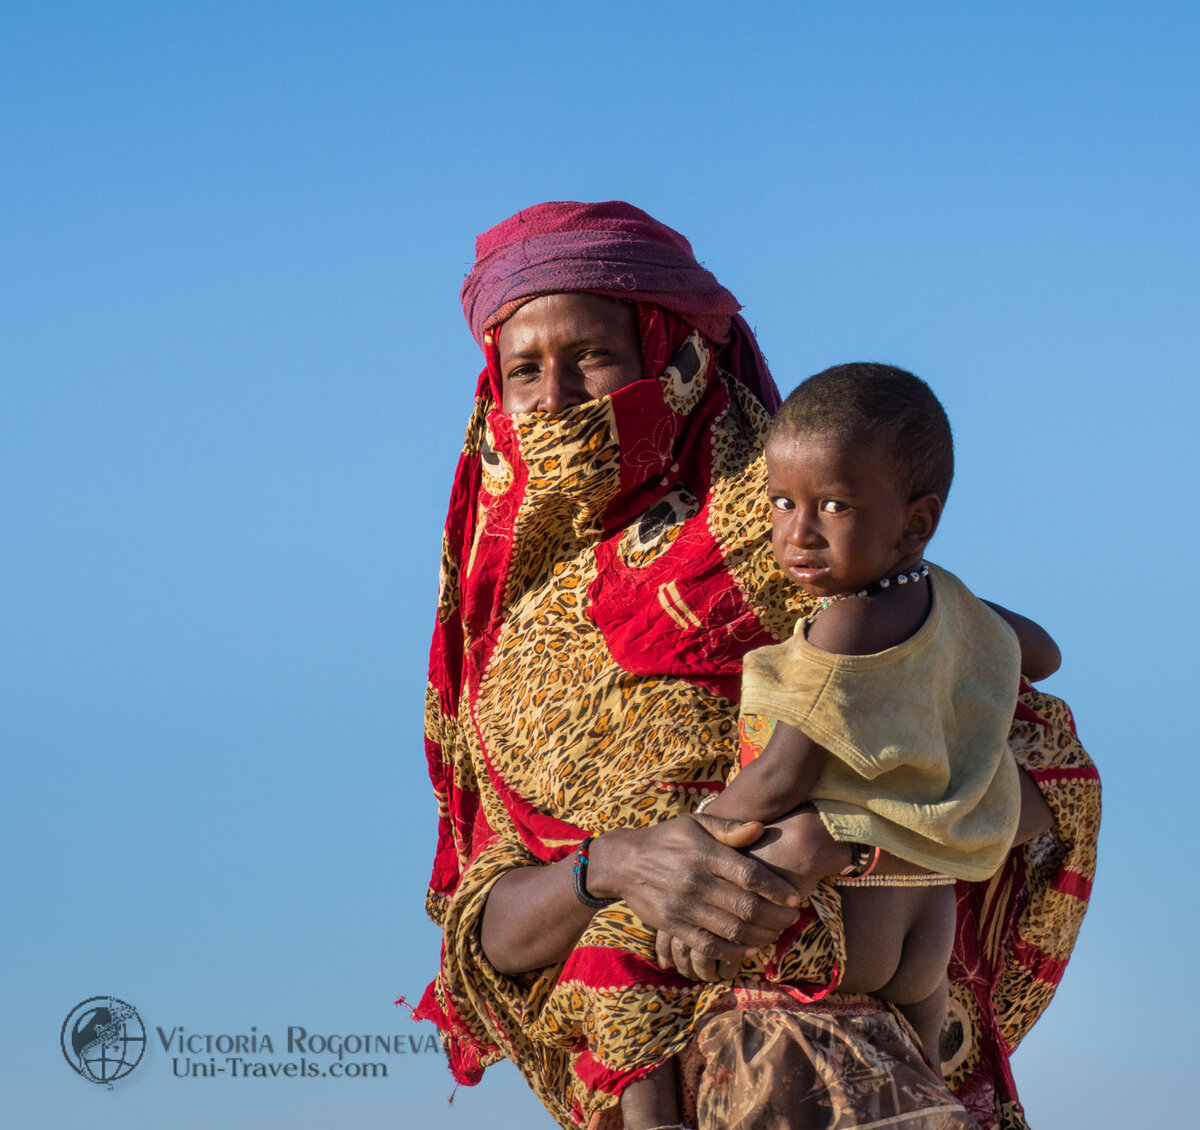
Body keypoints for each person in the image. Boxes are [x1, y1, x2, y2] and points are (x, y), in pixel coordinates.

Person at [412, 201, 1100, 1130]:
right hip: (649, 1074)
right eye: (523, 369)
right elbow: (490, 930)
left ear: (678, 358)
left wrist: (844, 835)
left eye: (594, 358)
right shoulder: (508, 628)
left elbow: (1041, 767)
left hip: (827, 1066)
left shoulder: (795, 541)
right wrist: (611, 868)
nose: (557, 397)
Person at [618, 363, 1052, 1130]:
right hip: (923, 929)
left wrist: (692, 839)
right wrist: (950, 650)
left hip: (844, 920)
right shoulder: (944, 602)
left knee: (630, 951)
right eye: (783, 503)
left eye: (834, 507)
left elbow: (784, 773)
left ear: (916, 521)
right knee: (911, 1093)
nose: (797, 534)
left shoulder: (843, 624)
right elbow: (1040, 652)